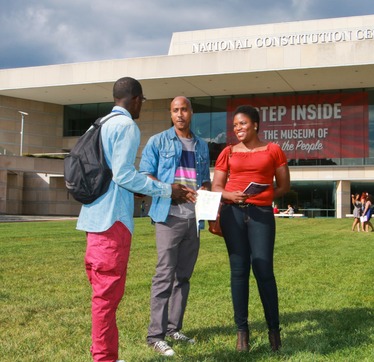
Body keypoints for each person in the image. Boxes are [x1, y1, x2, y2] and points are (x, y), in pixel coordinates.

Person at [77, 77, 196, 362]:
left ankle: (105, 354)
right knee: (107, 298)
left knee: (103, 296)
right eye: (141, 100)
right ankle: (104, 358)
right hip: (112, 222)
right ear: (136, 99)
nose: (142, 104)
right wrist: (167, 189)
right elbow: (124, 175)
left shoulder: (101, 123)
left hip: (93, 219)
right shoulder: (127, 126)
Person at [211, 105, 290, 352]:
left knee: (264, 269)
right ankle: (242, 333)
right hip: (232, 214)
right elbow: (216, 186)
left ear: (255, 124)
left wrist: (263, 196)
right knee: (239, 271)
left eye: (243, 124)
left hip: (261, 214)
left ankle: (274, 331)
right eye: (235, 125)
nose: (238, 129)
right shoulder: (228, 152)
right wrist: (230, 196)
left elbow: (284, 185)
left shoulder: (273, 150)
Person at [139, 96, 211, 357]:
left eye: (184, 109)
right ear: (170, 114)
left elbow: (205, 180)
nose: (180, 114)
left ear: (191, 112)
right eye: (175, 110)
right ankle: (155, 336)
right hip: (167, 216)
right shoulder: (158, 141)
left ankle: (173, 329)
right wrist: (170, 191)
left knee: (183, 277)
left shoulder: (202, 145)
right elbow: (145, 174)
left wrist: (204, 190)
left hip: (194, 219)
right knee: (164, 276)